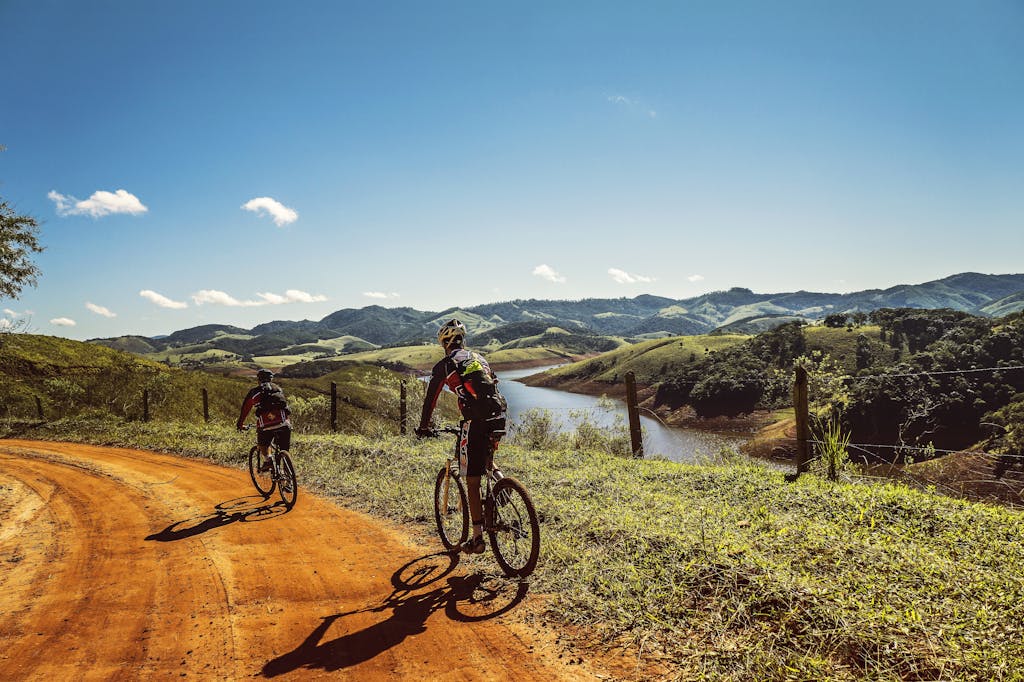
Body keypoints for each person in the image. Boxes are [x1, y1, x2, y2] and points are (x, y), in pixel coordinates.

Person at [416, 319, 507, 554]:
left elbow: (431, 400)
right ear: (462, 341)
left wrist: (424, 426)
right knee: (487, 462)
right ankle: (503, 484)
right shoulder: (479, 358)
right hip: (498, 417)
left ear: (444, 344)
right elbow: (494, 385)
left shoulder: (445, 365)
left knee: (472, 480)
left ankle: (476, 539)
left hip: (474, 422)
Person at [236, 368, 292, 472]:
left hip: (265, 425)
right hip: (284, 423)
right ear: (271, 379)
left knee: (263, 444)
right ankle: (288, 482)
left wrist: (240, 424)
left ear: (258, 380)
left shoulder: (254, 392)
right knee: (284, 450)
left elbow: (245, 409)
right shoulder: (278, 389)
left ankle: (268, 460)